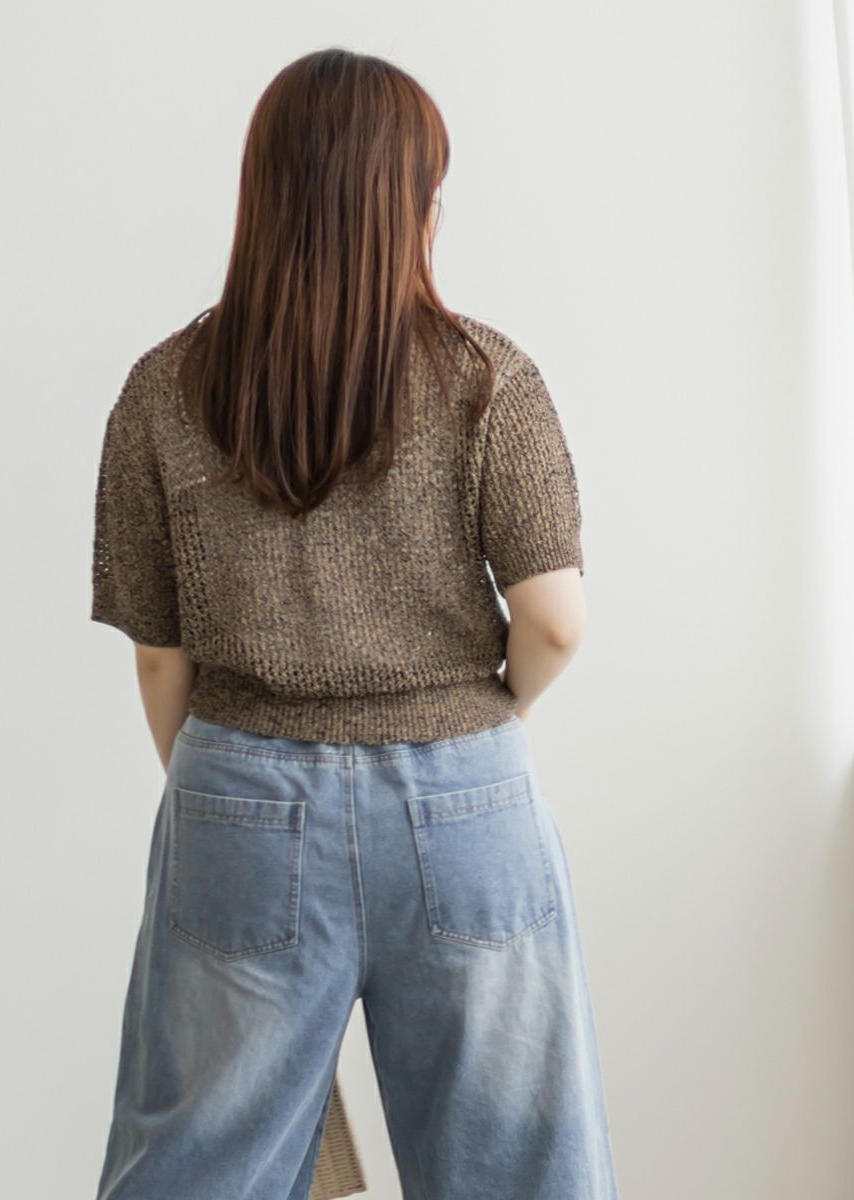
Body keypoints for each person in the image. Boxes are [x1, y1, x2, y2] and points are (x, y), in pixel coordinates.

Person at [89, 46, 620, 1200]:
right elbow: (554, 621)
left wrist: (225, 790)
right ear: (413, 205)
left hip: (240, 791)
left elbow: (159, 658)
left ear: (261, 195)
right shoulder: (489, 378)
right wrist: (478, 722)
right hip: (464, 797)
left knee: (199, 1166)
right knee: (516, 1170)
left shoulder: (162, 388)